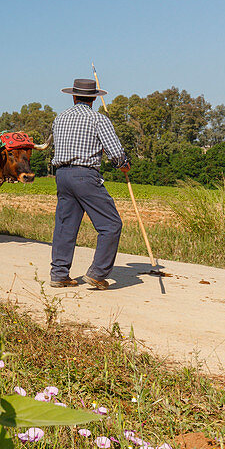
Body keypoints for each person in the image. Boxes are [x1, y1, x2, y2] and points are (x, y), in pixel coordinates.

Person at [49, 78, 130, 290]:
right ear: (94, 98)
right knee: (111, 225)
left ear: (74, 97)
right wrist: (123, 164)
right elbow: (115, 152)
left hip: (62, 176)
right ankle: (97, 273)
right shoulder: (98, 119)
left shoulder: (60, 118)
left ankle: (59, 274)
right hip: (85, 176)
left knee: (65, 227)